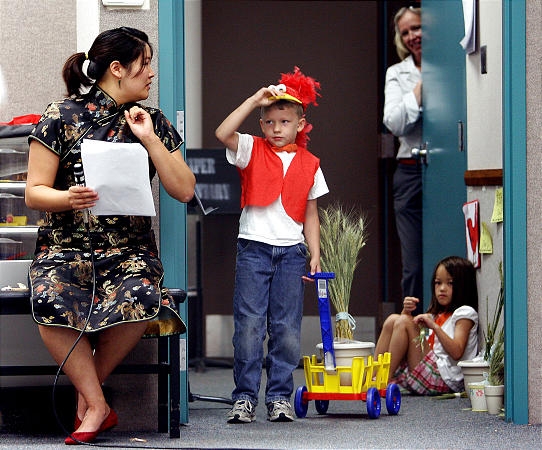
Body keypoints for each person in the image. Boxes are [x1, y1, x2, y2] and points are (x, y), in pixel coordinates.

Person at [25, 27, 195, 445]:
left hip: (129, 252)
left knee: (142, 294)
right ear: (117, 69)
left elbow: (184, 189)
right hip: (63, 250)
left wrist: (150, 140)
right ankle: (98, 404)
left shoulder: (149, 119)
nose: (151, 73)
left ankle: (91, 398)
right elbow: (34, 192)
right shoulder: (61, 115)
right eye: (145, 63)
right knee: (49, 295)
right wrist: (70, 198)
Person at [215, 67, 329, 423]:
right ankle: (245, 397)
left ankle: (279, 396)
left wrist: (316, 252)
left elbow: (311, 214)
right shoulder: (250, 148)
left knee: (286, 328)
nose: (276, 128)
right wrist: (254, 100)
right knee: (249, 326)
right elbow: (222, 132)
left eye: (284, 121)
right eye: (270, 121)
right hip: (254, 248)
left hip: (292, 253)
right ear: (262, 124)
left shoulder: (311, 164)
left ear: (300, 124)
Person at [374, 256, 479, 395]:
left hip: (444, 377)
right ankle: (373, 376)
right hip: (431, 368)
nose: (442, 288)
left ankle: (384, 380)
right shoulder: (438, 314)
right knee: (393, 319)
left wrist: (434, 326)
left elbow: (457, 352)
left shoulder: (465, 313)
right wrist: (406, 312)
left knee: (403, 321)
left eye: (450, 283)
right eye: (438, 282)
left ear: (463, 285)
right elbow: (405, 335)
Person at [383, 6, 424, 313]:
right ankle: (410, 334)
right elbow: (394, 123)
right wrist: (419, 91)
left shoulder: (451, 66)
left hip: (444, 170)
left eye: (417, 28)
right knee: (413, 263)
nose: (413, 36)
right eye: (406, 32)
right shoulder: (397, 73)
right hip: (410, 170)